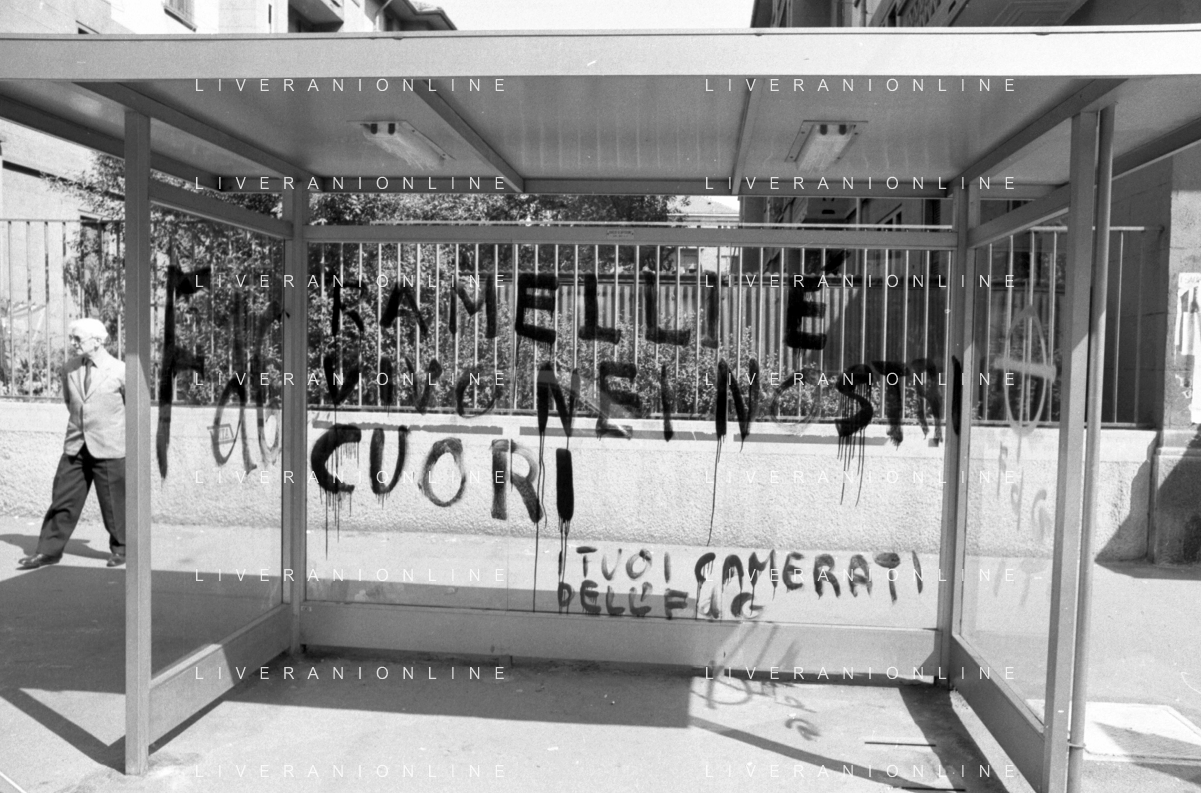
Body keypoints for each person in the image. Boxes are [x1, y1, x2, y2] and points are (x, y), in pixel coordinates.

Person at [19, 317, 126, 569]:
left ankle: (123, 549)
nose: (73, 343)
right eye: (72, 338)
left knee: (114, 503)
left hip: (109, 445)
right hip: (76, 445)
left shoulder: (120, 370)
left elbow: (132, 409)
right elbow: (71, 403)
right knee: (63, 499)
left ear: (97, 341)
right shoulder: (69, 368)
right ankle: (48, 551)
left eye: (78, 338)